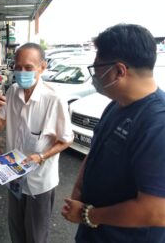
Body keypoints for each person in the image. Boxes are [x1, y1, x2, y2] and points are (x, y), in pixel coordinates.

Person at [62, 24, 165, 243]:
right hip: (94, 233)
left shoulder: (157, 123)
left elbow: (156, 210)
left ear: (119, 71)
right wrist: (79, 189)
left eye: (97, 68)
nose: (95, 75)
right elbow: (97, 150)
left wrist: (88, 214)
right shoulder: (117, 104)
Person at [0, 42, 73, 243]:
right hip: (15, 175)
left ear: (42, 67)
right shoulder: (12, 92)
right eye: (18, 67)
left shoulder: (53, 99)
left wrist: (42, 156)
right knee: (16, 230)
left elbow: (66, 140)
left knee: (35, 236)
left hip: (39, 182)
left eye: (28, 68)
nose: (22, 72)